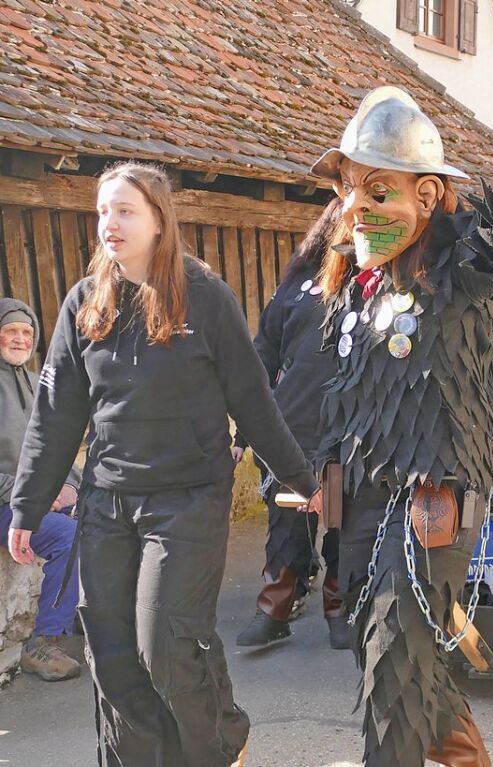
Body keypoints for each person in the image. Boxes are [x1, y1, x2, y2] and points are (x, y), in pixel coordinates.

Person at [311, 53, 493, 767]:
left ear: (427, 196)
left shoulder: (456, 271)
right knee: (396, 658)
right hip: (360, 499)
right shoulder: (353, 286)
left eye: (379, 191)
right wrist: (322, 480)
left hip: (430, 497)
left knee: (393, 652)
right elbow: (333, 398)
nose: (358, 209)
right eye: (348, 191)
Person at [8, 162, 320, 767]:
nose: (110, 224)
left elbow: (253, 399)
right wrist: (27, 505)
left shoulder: (204, 297)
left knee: (166, 648)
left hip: (188, 500)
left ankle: (222, 741)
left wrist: (300, 478)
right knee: (114, 655)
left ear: (158, 220)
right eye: (103, 211)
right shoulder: (84, 303)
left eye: (125, 211)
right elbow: (55, 417)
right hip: (107, 502)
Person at [234, 200, 349, 650]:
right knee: (285, 523)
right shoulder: (296, 286)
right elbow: (262, 354)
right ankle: (275, 607)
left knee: (344, 520)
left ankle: (340, 608)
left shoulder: (376, 283)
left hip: (350, 426)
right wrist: (243, 434)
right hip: (291, 425)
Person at [0, 298, 81, 681]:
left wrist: (70, 485)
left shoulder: (39, 385)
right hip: (7, 505)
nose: (20, 340)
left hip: (40, 498)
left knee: (110, 513)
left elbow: (61, 447)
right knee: (67, 535)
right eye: (10, 332)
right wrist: (33, 496)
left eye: (27, 333)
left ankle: (101, 619)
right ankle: (43, 642)